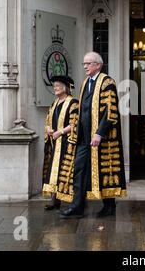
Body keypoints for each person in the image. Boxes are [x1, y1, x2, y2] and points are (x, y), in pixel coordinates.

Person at [60, 52, 127, 218]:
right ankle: (77, 207)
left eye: (88, 63)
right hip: (83, 137)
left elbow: (110, 111)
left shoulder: (107, 82)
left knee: (106, 170)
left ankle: (109, 206)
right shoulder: (85, 84)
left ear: (98, 65)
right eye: (84, 64)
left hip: (101, 137)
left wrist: (99, 133)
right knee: (79, 169)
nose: (85, 67)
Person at [42, 75, 79, 210]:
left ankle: (75, 202)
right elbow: (48, 120)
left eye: (58, 86)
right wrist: (49, 129)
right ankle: (55, 200)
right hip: (55, 143)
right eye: (55, 86)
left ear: (65, 87)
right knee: (54, 171)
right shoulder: (55, 103)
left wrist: (60, 132)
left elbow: (75, 123)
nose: (55, 88)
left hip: (68, 143)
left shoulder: (73, 102)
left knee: (68, 173)